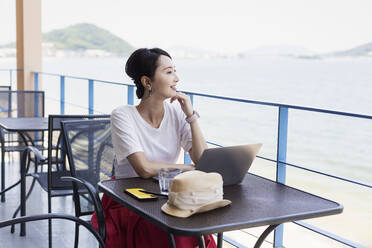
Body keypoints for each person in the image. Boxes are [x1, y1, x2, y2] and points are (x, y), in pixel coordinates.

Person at [92, 48, 216, 248]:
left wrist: (191, 116)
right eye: (168, 72)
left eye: (175, 71)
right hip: (128, 199)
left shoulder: (177, 112)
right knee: (166, 231)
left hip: (167, 196)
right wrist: (189, 169)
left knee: (197, 225)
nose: (176, 78)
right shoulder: (123, 115)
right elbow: (144, 169)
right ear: (147, 82)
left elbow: (202, 160)